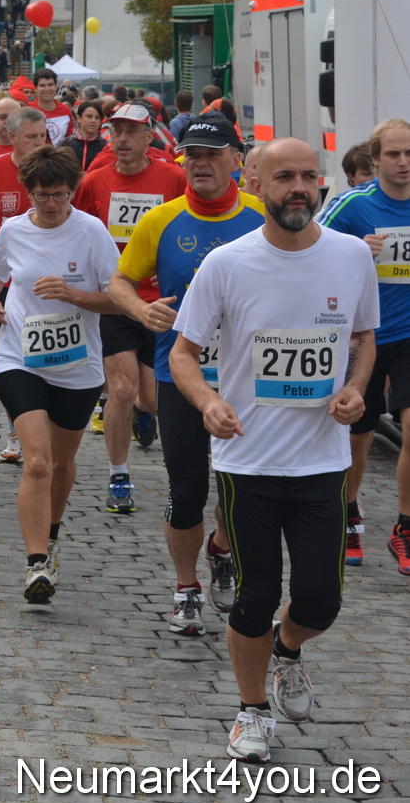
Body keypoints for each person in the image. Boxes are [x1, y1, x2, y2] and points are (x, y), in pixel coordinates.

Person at [166, 137, 375, 763]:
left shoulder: (349, 257)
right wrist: (207, 401)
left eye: (309, 176)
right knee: (255, 595)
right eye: (284, 177)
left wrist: (357, 387)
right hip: (248, 461)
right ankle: (252, 709)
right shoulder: (227, 263)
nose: (300, 188)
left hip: (322, 461)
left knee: (321, 599)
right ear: (256, 184)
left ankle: (288, 650)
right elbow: (182, 353)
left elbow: (364, 338)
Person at [109, 114, 264, 636]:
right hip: (181, 379)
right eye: (191, 154)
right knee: (186, 488)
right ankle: (185, 588)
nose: (199, 163)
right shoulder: (162, 220)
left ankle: (222, 549)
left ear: (236, 160)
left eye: (212, 154)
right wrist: (141, 310)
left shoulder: (264, 219)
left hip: (249, 382)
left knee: (241, 492)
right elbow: (120, 282)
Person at [0, 146, 118, 603]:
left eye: (60, 195)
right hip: (20, 359)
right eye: (42, 196)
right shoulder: (14, 230)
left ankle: (53, 533)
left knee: (61, 463)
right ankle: (36, 563)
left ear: (72, 191)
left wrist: (73, 294)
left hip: (78, 368)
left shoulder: (91, 231)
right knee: (36, 460)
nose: (52, 204)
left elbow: (116, 297)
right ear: (29, 193)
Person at [72, 102, 189, 514]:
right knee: (121, 388)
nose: (120, 139)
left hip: (163, 303)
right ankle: (119, 475)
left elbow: (187, 227)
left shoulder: (174, 177)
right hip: (116, 299)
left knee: (154, 399)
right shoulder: (94, 181)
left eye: (130, 131)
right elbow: (79, 231)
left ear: (149, 136)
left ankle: (145, 412)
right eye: (115, 131)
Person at [314, 118, 410, 570]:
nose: (404, 162)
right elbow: (309, 242)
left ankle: (404, 526)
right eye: (393, 154)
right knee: (360, 437)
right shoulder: (354, 203)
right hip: (365, 337)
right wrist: (354, 246)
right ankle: (349, 513)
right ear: (375, 159)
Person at [0, 106, 48, 371]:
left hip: (49, 267)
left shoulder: (58, 170)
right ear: (12, 137)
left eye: (43, 136)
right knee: (15, 341)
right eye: (31, 137)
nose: (39, 143)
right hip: (8, 272)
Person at [29, 68, 73, 144]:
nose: (47, 89)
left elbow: (69, 138)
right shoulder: (28, 110)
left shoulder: (65, 110)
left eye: (50, 85)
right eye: (42, 85)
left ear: (56, 87)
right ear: (35, 88)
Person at [64, 101, 108, 170]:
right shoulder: (66, 143)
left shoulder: (105, 146)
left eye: (97, 117)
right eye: (89, 116)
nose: (93, 121)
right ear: (79, 118)